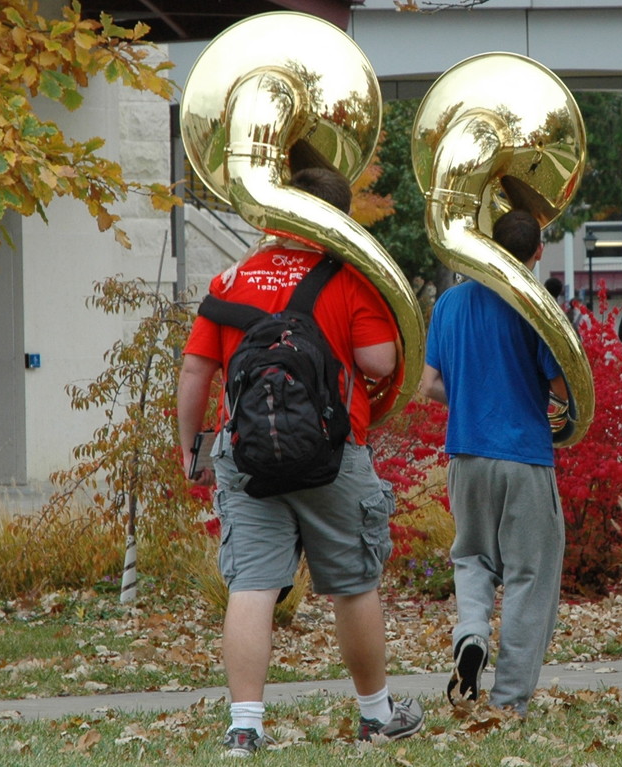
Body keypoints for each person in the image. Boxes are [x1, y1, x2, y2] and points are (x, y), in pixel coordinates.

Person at [177, 167, 424, 758]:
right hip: (336, 454)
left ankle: (245, 727)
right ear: (340, 219)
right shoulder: (349, 277)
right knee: (354, 586)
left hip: (247, 455)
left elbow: (194, 371)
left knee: (252, 585)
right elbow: (382, 363)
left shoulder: (230, 278)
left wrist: (193, 450)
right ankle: (374, 716)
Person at [417, 210, 570, 714]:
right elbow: (565, 390)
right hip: (524, 455)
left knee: (472, 558)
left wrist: (470, 398)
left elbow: (428, 385)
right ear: (538, 252)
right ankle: (508, 702)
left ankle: (471, 634)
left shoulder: (450, 302)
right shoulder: (536, 308)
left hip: (465, 454)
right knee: (530, 576)